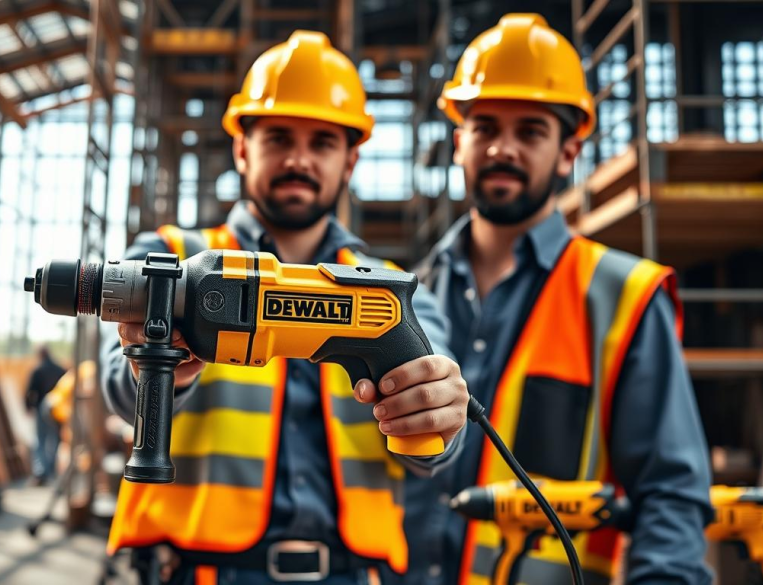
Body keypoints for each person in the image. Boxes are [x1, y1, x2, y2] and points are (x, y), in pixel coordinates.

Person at [102, 30, 469, 584]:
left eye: (322, 142)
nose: (299, 158)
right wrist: (159, 371)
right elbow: (117, 382)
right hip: (200, 572)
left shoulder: (391, 291)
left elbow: (434, 445)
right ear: (243, 148)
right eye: (278, 137)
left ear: (350, 161)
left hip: (353, 574)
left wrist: (438, 415)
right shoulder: (169, 257)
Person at [401, 13, 714, 585]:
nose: (504, 148)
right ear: (458, 142)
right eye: (486, 127)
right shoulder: (409, 293)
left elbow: (671, 494)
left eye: (531, 132)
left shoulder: (623, 297)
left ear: (569, 150)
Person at [24, 346, 65, 484]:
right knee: (54, 440)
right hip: (57, 409)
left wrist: (28, 407)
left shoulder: (38, 370)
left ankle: (41, 472)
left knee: (40, 440)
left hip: (43, 407)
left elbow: (30, 391)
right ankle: (51, 470)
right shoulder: (60, 370)